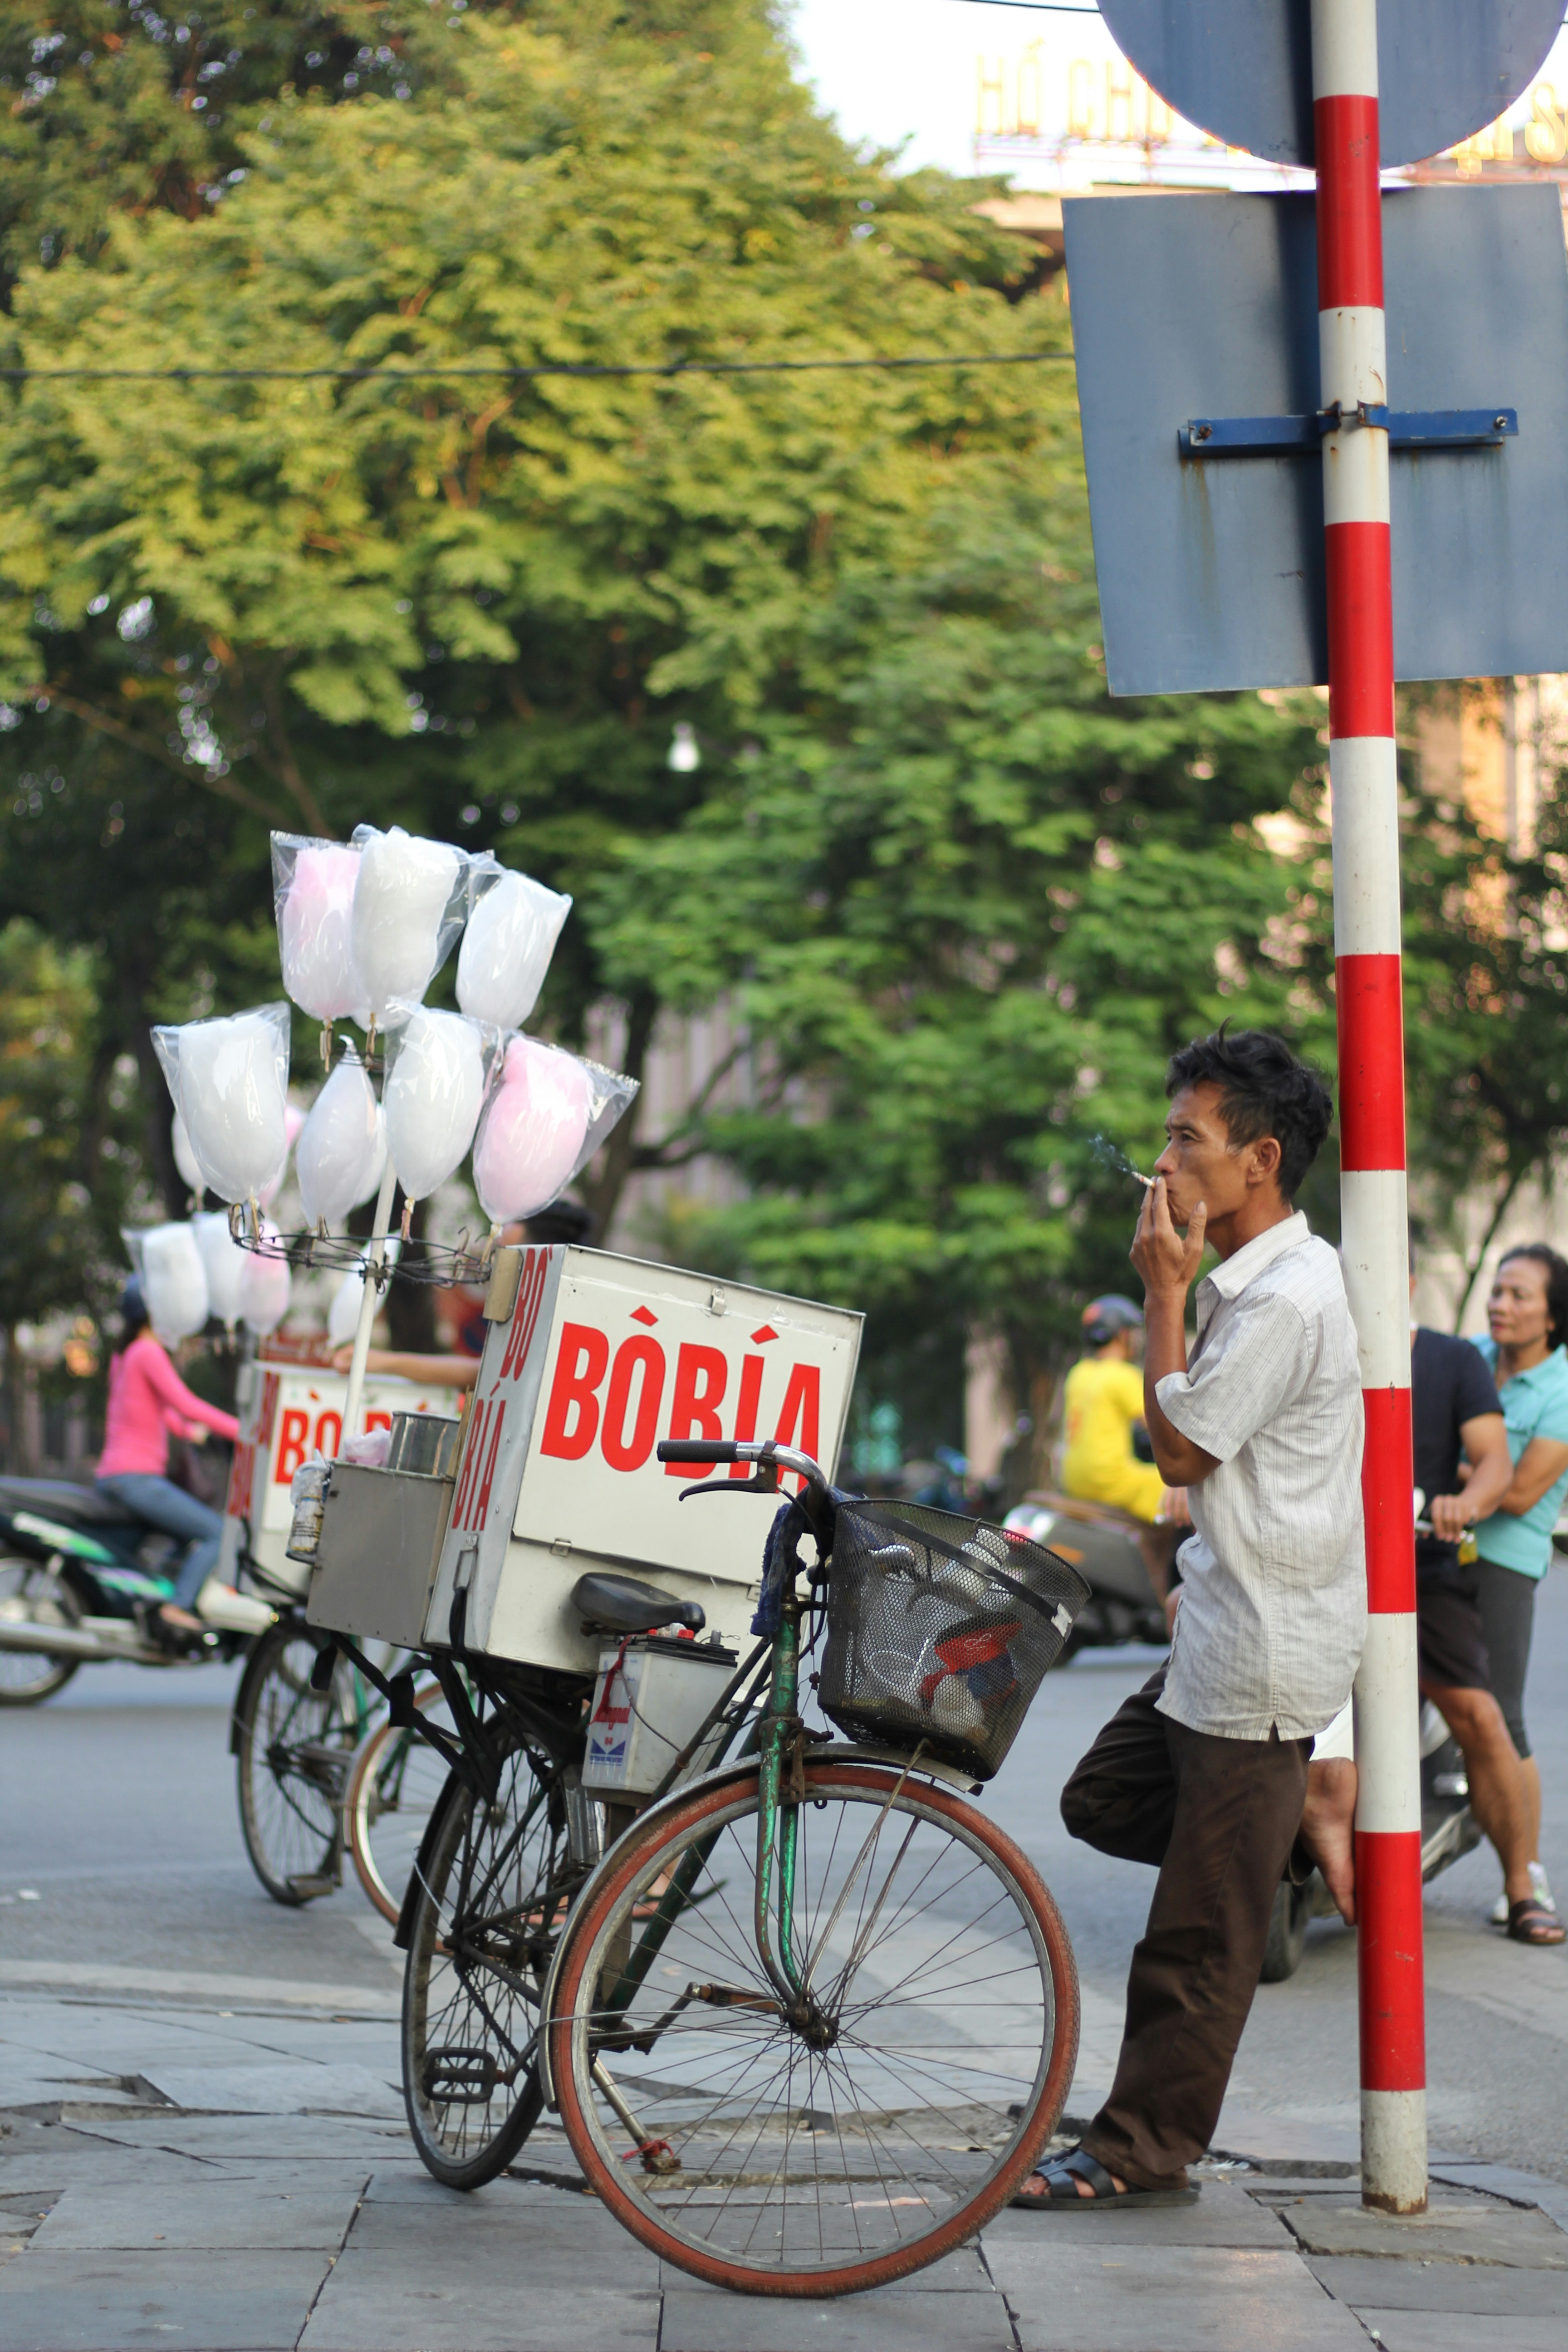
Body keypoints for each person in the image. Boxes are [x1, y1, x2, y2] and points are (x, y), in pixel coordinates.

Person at [1016, 1028, 1362, 2208]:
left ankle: (1139, 2152)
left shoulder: (1281, 1300)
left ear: (1258, 1159)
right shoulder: (1254, 1281)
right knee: (1101, 1796)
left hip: (1261, 1647)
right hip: (1213, 1638)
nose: (1164, 1160)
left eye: (1186, 1138)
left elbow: (1180, 1448)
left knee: (1192, 1947)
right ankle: (1264, 1860)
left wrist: (1162, 1292)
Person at [1298, 1262, 1562, 1942]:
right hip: (1323, 1567)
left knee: (1482, 1714)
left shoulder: (1451, 1360)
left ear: (1405, 1281)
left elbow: (1497, 1463)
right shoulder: (1311, 1351)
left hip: (1428, 1568)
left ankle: (1521, 1884)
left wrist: (1464, 1505)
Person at [1471, 1245, 1568, 1930]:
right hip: (1433, 1549)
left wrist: (1463, 1471)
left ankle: (1524, 1876)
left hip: (1505, 1561)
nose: (1502, 1305)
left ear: (1553, 1317)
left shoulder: (1561, 1390)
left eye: (1520, 1296)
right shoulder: (1468, 1357)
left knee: (1501, 1714)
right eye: (1498, 1291)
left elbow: (1522, 1488)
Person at [95, 1277, 242, 1637]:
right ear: (155, 1313)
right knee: (218, 1533)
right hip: (137, 1479)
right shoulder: (147, 1352)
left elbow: (157, 1409)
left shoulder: (126, 1354)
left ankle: (155, 1598)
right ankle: (178, 1606)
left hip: (117, 1475)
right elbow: (184, 1402)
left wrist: (188, 1432)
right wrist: (245, 1430)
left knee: (182, 1535)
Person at [1061, 1294, 1190, 1613]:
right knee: (1185, 1496)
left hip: (1076, 1479)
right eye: (1131, 1332)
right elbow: (1160, 1424)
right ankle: (1178, 1588)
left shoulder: (1080, 1373)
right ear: (1120, 1335)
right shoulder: (1121, 1377)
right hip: (1110, 1477)